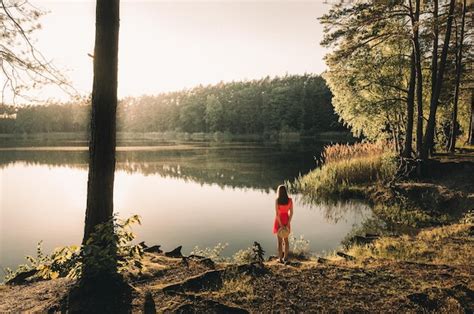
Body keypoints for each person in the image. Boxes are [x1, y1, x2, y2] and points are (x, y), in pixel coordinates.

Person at [272, 184, 293, 263]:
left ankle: (280, 259)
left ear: (279, 192)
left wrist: (280, 225)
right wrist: (287, 223)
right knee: (286, 240)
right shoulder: (290, 200)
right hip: (286, 219)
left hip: (279, 220)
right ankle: (286, 258)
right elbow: (291, 213)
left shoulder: (277, 200)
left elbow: (277, 214)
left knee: (279, 241)